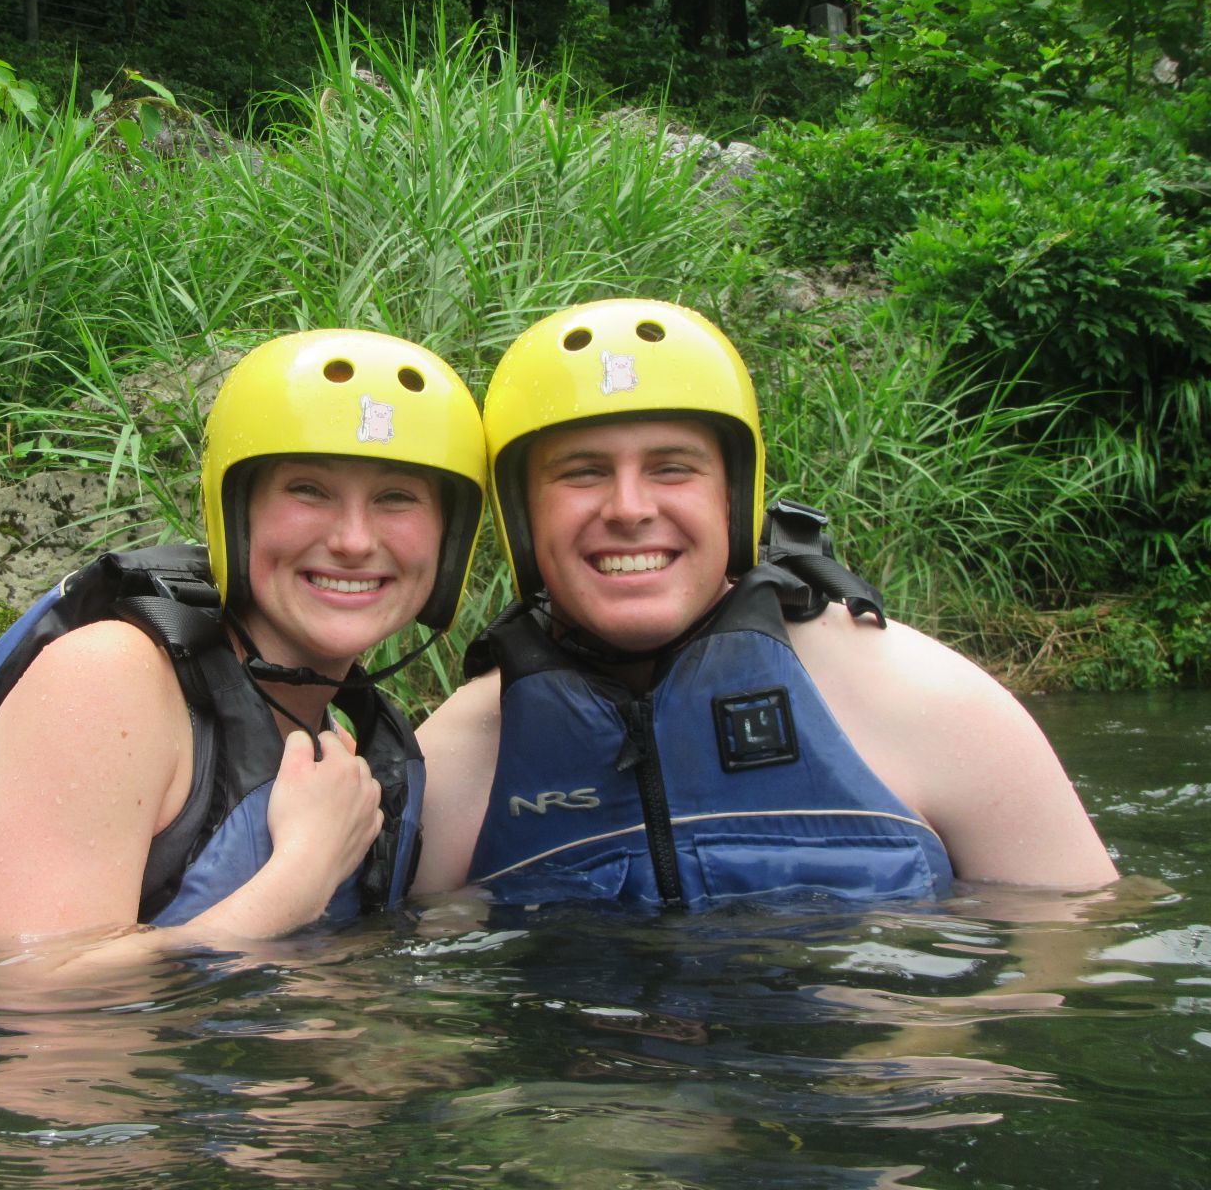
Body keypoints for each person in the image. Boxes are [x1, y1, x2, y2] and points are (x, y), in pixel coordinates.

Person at [413, 298, 1117, 908]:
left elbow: (1073, 952)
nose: (629, 508)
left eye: (672, 468)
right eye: (582, 473)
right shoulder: (448, 769)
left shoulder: (929, 703)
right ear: (522, 517)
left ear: (733, 497)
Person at [0, 329, 486, 976]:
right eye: (307, 490)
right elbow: (31, 993)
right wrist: (302, 876)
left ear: (450, 537)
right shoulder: (108, 678)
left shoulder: (340, 746)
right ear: (234, 513)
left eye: (396, 498)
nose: (353, 540)